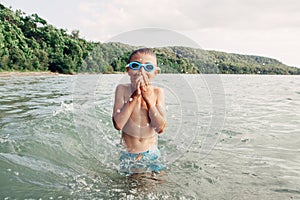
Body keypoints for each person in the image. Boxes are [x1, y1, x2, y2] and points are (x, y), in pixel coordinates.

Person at [112, 48, 166, 175]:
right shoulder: (122, 90)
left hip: (151, 153)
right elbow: (118, 124)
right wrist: (135, 96)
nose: (141, 71)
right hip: (128, 154)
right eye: (136, 66)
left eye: (148, 67)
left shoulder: (158, 93)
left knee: (157, 184)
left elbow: (160, 128)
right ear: (128, 70)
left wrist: (149, 100)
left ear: (155, 72)